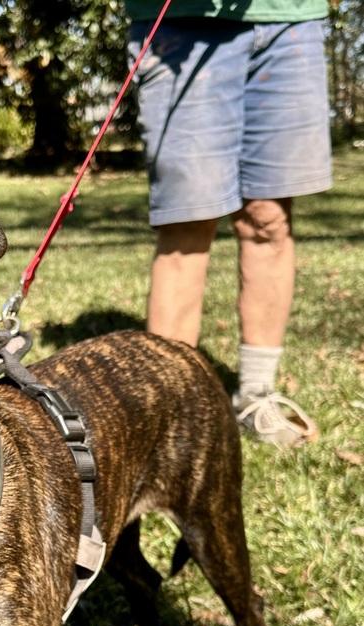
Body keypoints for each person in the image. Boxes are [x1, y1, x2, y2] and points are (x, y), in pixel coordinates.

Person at [125, 2, 332, 445]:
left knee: (268, 219)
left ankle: (257, 397)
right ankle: (172, 414)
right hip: (181, 24)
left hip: (290, 19)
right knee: (187, 225)